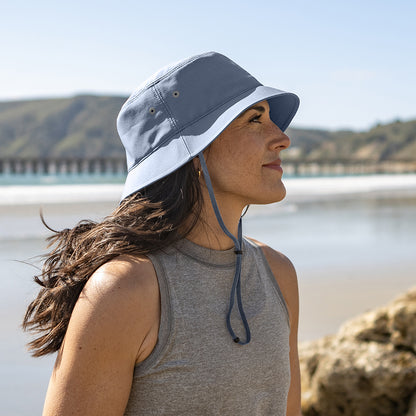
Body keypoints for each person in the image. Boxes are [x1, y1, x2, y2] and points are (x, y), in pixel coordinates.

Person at [23, 51, 301, 415]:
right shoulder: (125, 289)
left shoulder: (278, 273)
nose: (282, 138)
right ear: (194, 151)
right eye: (254, 119)